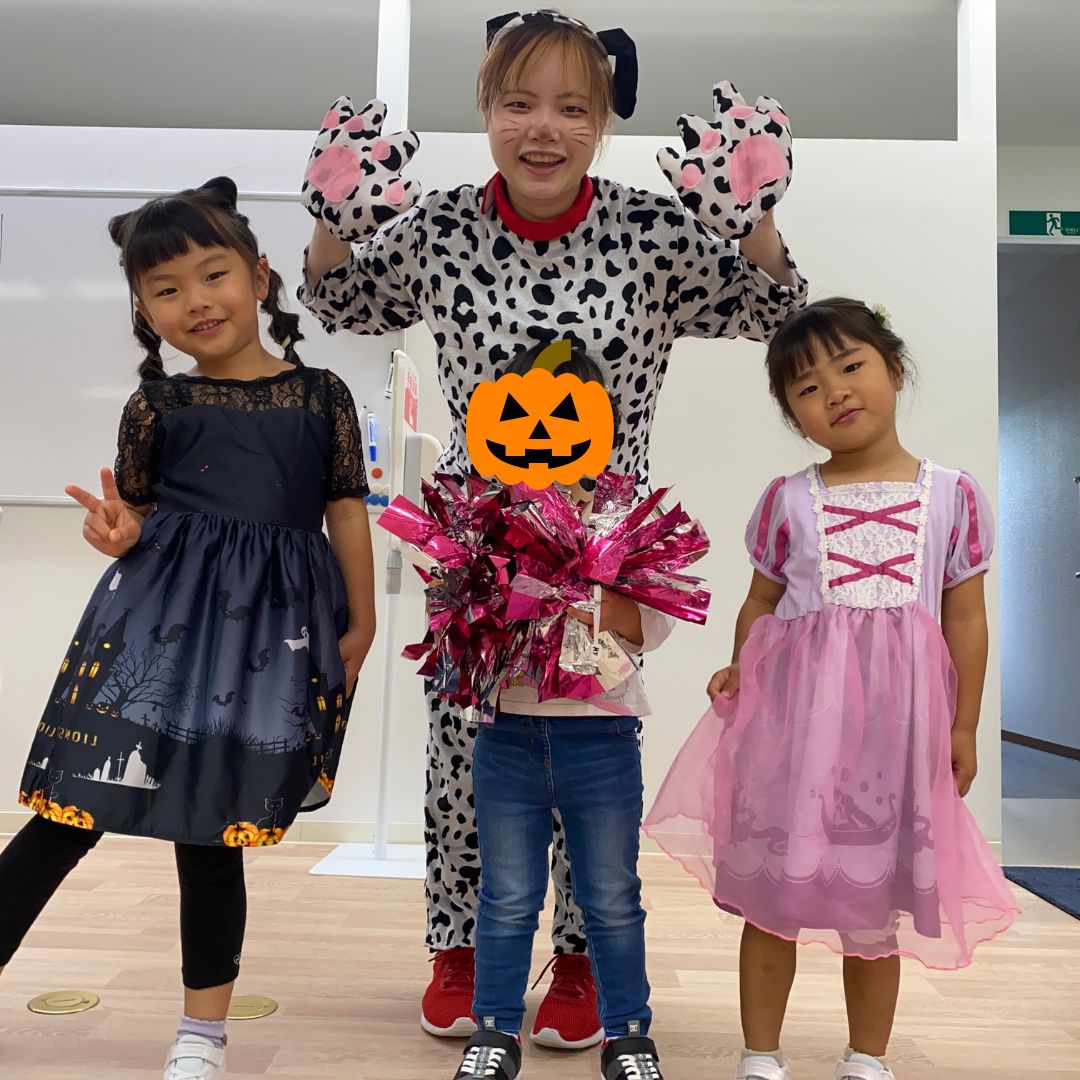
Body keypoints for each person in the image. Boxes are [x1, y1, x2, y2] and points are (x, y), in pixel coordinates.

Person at [300, 7, 807, 1046]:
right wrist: (330, 216)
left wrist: (752, 216)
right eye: (519, 102)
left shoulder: (652, 230)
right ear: (486, 109)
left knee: (591, 752)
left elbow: (770, 310)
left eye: (574, 108)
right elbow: (340, 302)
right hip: (476, 549)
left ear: (604, 122)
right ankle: (458, 948)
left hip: (603, 551)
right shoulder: (441, 228)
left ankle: (580, 959)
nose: (545, 128)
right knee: (461, 751)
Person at [0, 177, 376, 1080]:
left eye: (214, 275)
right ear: (145, 310)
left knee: (213, 833)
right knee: (65, 817)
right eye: (167, 289)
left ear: (260, 277)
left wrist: (361, 622)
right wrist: (115, 532)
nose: (196, 301)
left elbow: (345, 512)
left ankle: (201, 1037)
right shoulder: (156, 407)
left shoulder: (321, 396)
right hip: (151, 633)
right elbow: (131, 515)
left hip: (265, 644)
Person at [644, 298, 1019, 1080]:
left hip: (896, 742)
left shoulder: (952, 496)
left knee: (876, 909)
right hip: (796, 737)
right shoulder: (789, 500)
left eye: (851, 367)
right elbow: (761, 601)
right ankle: (759, 1053)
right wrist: (741, 667)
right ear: (793, 415)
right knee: (772, 900)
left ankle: (867, 1056)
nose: (836, 392)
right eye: (808, 388)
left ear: (895, 369)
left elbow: (966, 616)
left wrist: (963, 725)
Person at [453, 339, 673, 1080]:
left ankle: (628, 1033)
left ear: (599, 425)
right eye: (521, 415)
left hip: (601, 738)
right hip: (507, 734)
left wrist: (581, 591)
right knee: (507, 895)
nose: (542, 434)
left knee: (611, 895)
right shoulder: (485, 520)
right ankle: (495, 1030)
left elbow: (652, 626)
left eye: (567, 414)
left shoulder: (622, 518)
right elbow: (453, 616)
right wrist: (490, 587)